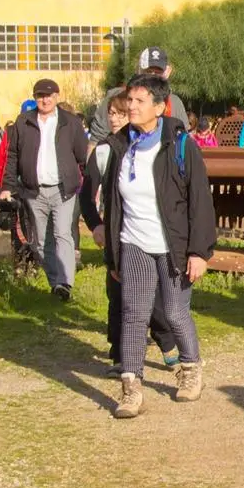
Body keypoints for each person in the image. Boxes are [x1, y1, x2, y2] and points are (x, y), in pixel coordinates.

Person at [96, 74, 215, 419]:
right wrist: (113, 254)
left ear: (160, 107)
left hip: (173, 246)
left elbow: (200, 202)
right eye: (129, 100)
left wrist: (199, 251)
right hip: (133, 243)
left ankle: (191, 369)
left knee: (176, 312)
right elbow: (114, 206)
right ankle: (131, 388)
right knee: (133, 313)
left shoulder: (179, 144)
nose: (131, 106)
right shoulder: (119, 145)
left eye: (139, 101)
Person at [81, 90, 180, 374]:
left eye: (122, 114)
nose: (116, 119)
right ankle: (121, 354)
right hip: (117, 235)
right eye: (112, 113)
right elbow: (86, 194)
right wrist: (96, 224)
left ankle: (166, 341)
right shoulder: (104, 150)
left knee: (151, 297)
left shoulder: (147, 149)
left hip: (147, 233)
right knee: (117, 294)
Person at [4, 78, 88, 301]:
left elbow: (81, 155)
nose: (45, 99)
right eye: (41, 96)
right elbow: (12, 156)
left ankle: (66, 284)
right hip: (34, 191)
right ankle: (56, 283)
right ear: (35, 98)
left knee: (63, 235)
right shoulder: (23, 122)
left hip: (63, 190)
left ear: (57, 97)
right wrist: (8, 186)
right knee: (40, 241)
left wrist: (87, 183)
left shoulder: (70, 122)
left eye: (49, 95)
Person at [92, 45, 188, 140]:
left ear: (167, 73)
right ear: (138, 70)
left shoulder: (174, 103)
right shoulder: (116, 97)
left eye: (158, 72)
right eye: (149, 71)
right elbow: (97, 138)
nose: (153, 77)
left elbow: (183, 140)